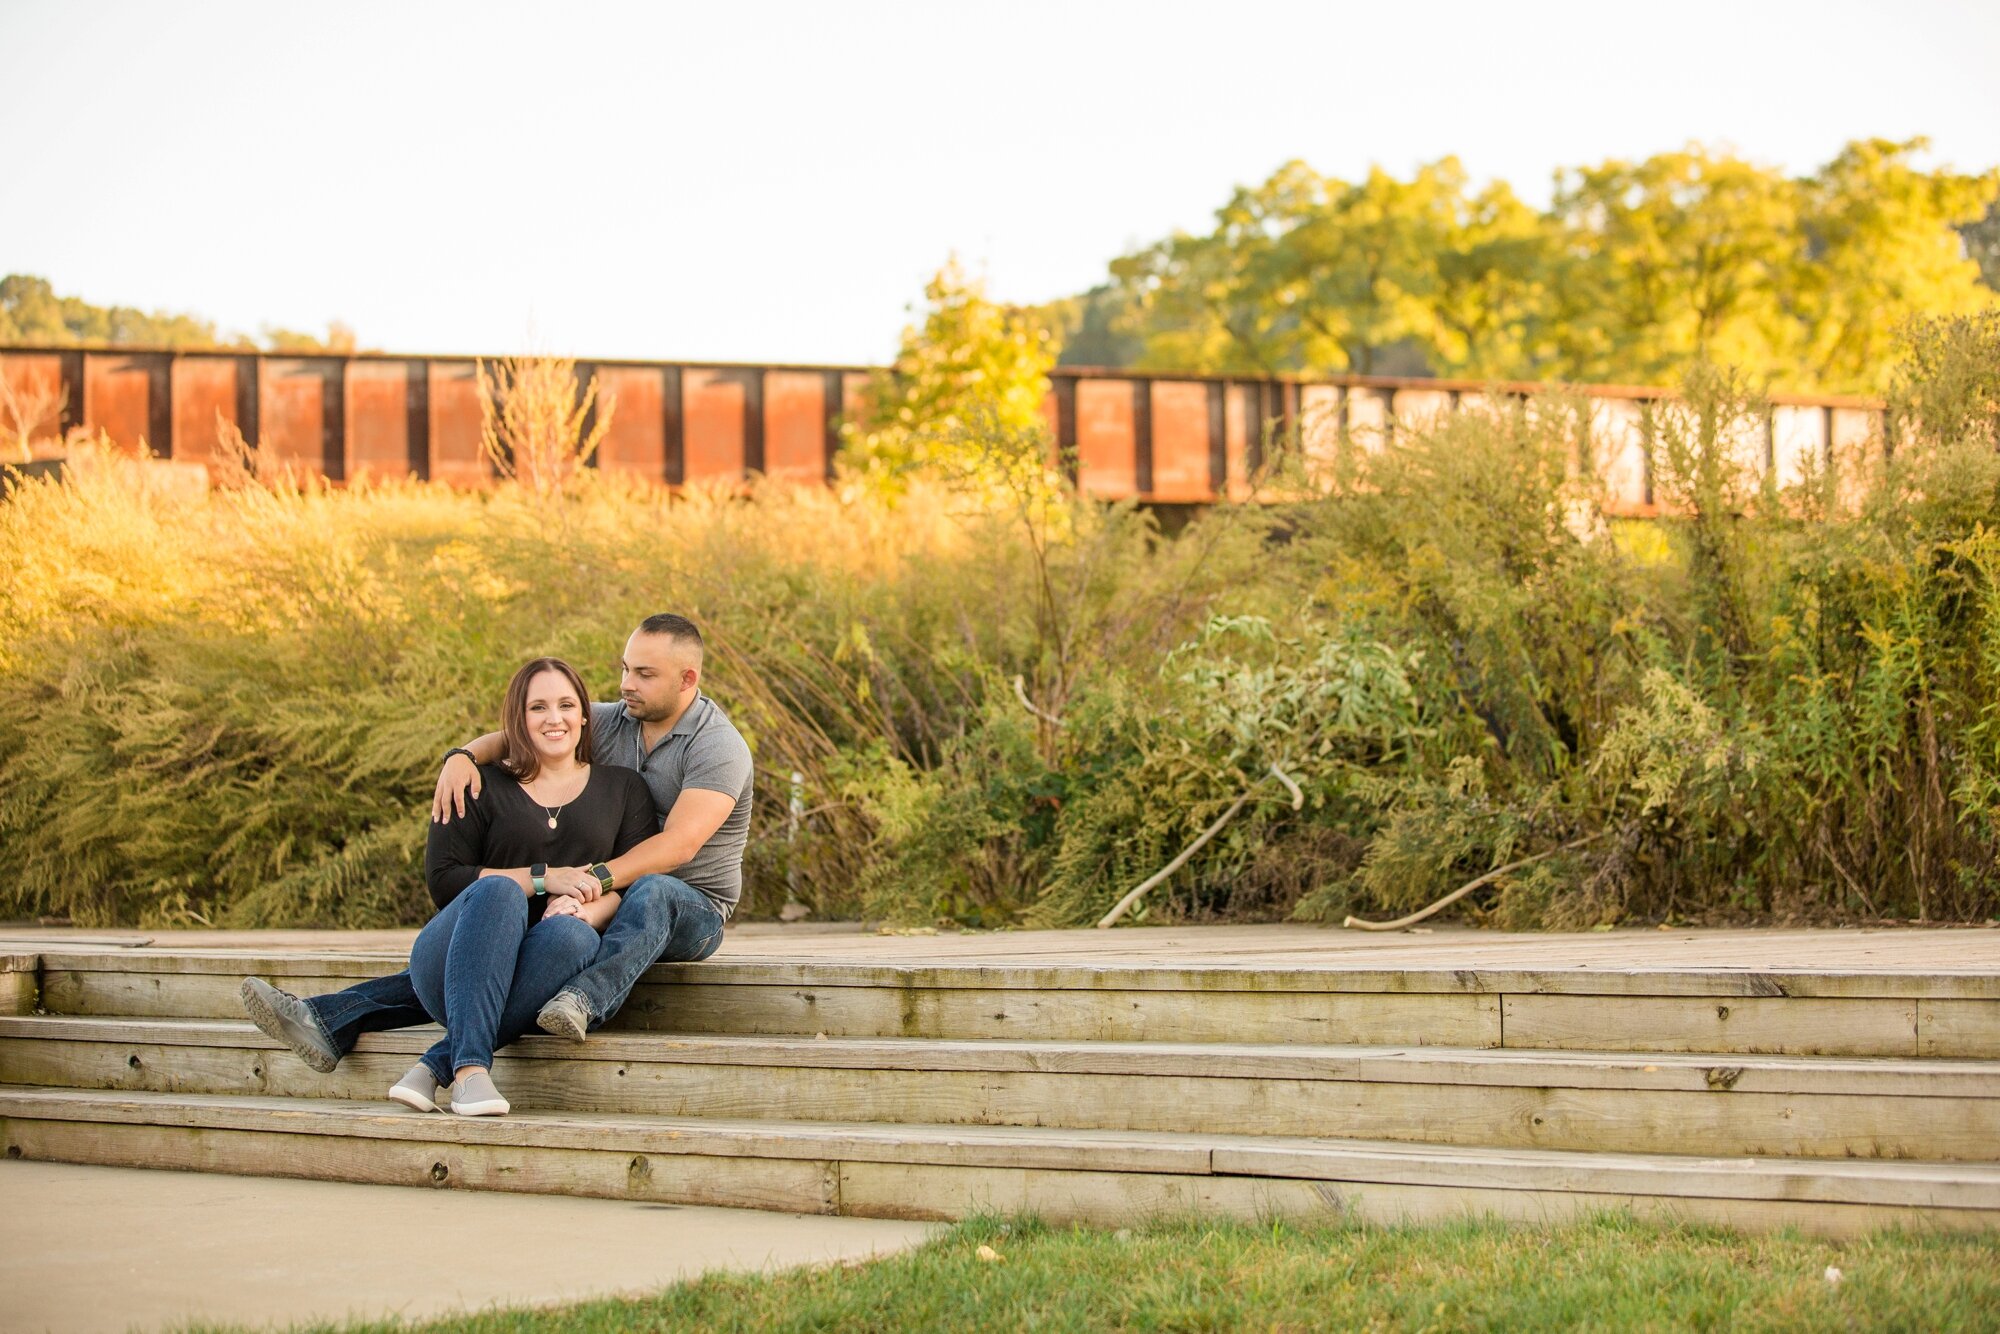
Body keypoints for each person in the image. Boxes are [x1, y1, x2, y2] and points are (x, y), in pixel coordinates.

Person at [241, 615, 754, 1081]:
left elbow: (678, 847)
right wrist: (463, 755)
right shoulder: (619, 717)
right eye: (624, 669)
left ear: (688, 679)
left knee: (654, 892)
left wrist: (589, 881)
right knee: (490, 956)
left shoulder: (717, 746)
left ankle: (577, 1002)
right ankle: (332, 1018)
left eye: (644, 674)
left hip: (687, 908)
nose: (626, 685)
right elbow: (538, 727)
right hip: (598, 901)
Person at [248, 656, 655, 1115]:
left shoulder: (624, 789)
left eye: (565, 704)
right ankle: (467, 1070)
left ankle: (408, 1055)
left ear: (585, 713)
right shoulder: (476, 781)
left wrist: (589, 910)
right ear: (518, 720)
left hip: (546, 962)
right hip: (450, 951)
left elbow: (631, 876)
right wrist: (542, 878)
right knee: (500, 893)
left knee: (573, 935)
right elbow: (444, 881)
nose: (554, 718)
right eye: (537, 707)